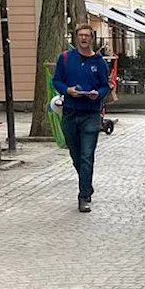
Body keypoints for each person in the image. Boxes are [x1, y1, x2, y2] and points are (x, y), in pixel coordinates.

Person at [52, 24, 112, 213]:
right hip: (70, 112)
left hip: (90, 114)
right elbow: (56, 81)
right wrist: (67, 90)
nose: (84, 38)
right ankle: (86, 183)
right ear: (76, 38)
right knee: (76, 155)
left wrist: (98, 94)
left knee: (87, 156)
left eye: (87, 35)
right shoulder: (65, 58)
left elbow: (106, 85)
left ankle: (83, 196)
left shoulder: (99, 61)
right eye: (81, 35)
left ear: (91, 38)